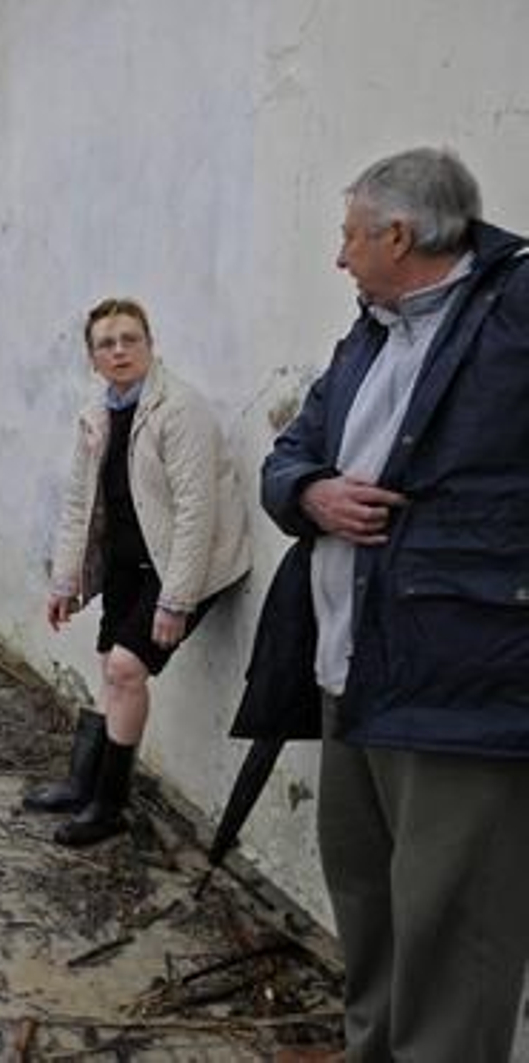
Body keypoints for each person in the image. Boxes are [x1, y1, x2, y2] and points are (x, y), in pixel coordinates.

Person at [259, 147, 529, 1061]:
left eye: (349, 235)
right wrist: (311, 493)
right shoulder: (372, 330)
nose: (340, 256)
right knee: (368, 909)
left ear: (399, 234)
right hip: (354, 671)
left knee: (455, 931)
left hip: (463, 687)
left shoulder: (515, 312)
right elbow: (290, 451)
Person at [34, 298, 250, 847]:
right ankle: (85, 784)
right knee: (111, 663)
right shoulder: (98, 413)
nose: (120, 350)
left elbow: (198, 512)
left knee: (127, 668)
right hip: (131, 558)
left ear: (150, 345)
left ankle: (109, 805)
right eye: (106, 343)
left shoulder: (180, 411)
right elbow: (80, 502)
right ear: (92, 358)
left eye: (130, 338)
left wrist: (177, 599)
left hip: (184, 559)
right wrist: (65, 581)